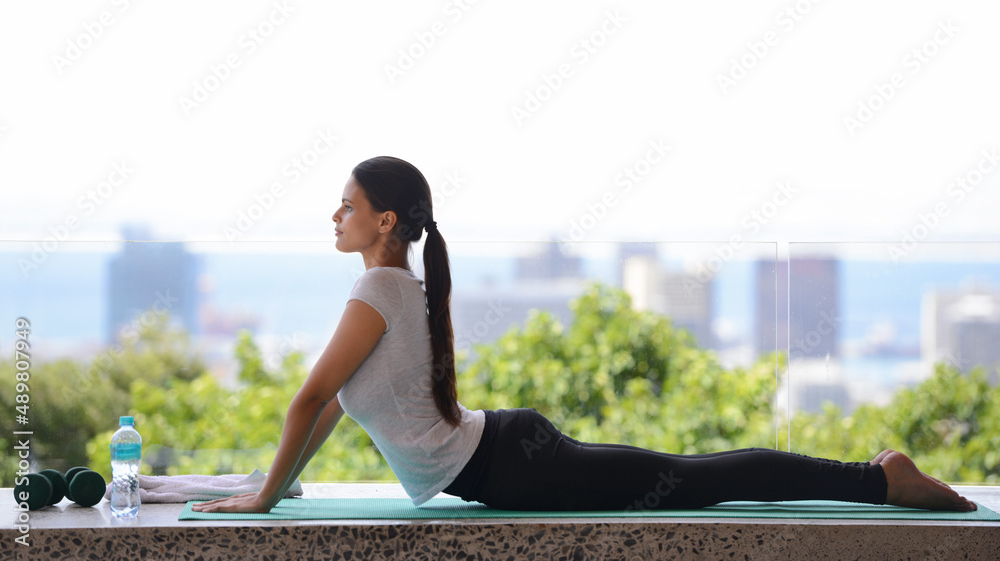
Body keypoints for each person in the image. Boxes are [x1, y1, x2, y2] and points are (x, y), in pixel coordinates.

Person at [192, 156, 977, 514]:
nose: (336, 216)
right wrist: (283, 480)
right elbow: (330, 409)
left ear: (384, 220)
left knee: (700, 481)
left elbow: (310, 394)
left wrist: (262, 498)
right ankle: (876, 477)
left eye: (348, 205)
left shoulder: (378, 286)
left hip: (510, 466)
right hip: (500, 457)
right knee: (695, 475)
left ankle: (878, 480)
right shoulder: (392, 287)